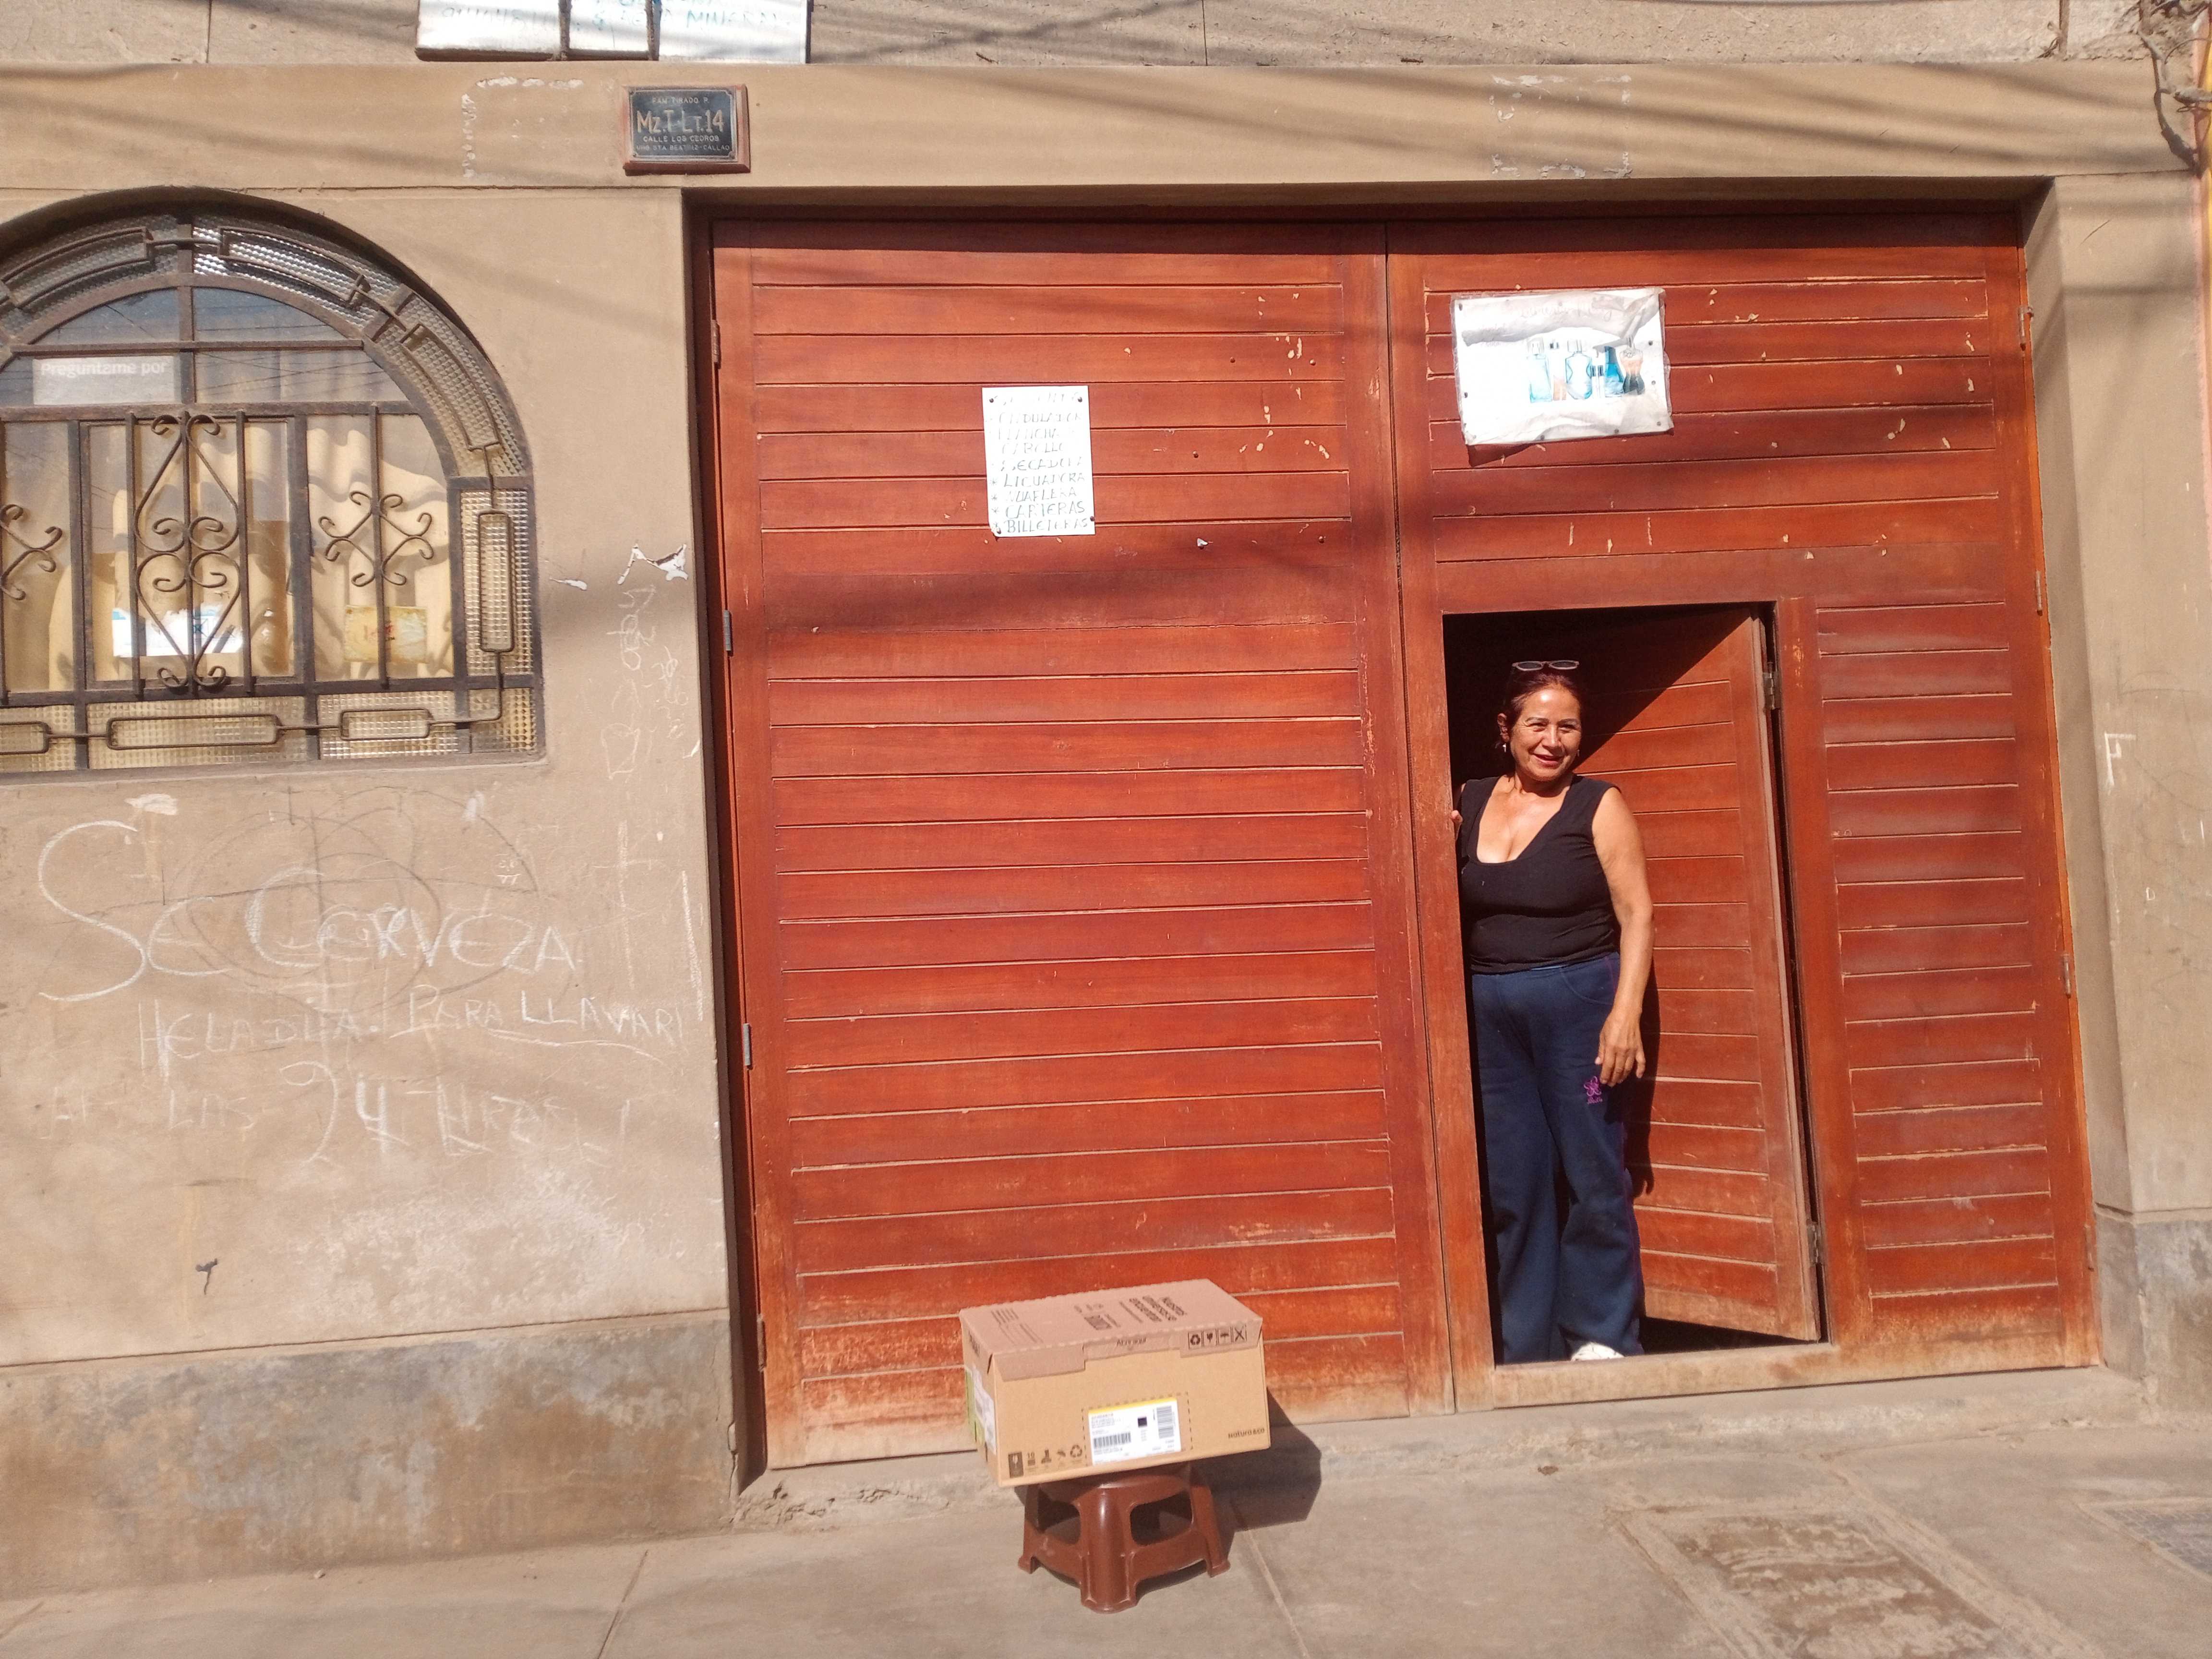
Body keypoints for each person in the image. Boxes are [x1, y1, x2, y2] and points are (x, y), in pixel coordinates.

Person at [1457, 661, 1654, 1363]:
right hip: (1491, 1014)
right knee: (1515, 1184)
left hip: (1578, 1003)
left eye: (1567, 726)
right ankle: (1528, 1344)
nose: (1552, 740)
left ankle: (1603, 1334)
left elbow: (1637, 914)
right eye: (1537, 724)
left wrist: (1625, 1013)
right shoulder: (1468, 800)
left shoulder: (1598, 805)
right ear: (1506, 729)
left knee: (1594, 1170)